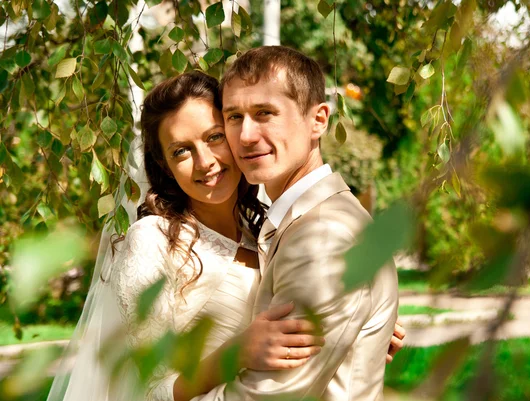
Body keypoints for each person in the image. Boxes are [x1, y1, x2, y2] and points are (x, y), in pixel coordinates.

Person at [46, 71, 327, 401]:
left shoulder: (264, 234)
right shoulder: (152, 241)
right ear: (164, 166)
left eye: (214, 138)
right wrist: (235, 353)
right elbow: (150, 390)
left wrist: (356, 326)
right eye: (181, 151)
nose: (205, 162)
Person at [192, 46, 400, 401]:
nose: (245, 136)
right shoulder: (300, 219)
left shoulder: (325, 236)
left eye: (265, 113)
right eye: (234, 117)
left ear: (318, 120)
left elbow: (269, 395)